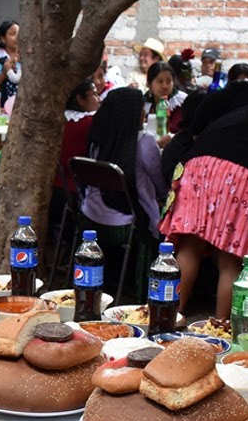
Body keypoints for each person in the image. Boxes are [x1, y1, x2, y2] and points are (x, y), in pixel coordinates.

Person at [159, 71, 248, 319]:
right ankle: (221, 330)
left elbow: (207, 104)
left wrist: (196, 133)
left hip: (202, 166)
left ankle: (169, 318)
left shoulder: (244, 89)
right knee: (231, 261)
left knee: (189, 247)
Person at [79, 87, 167, 293]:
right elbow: (161, 185)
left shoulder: (97, 139)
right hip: (126, 222)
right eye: (141, 108)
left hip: (90, 214)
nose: (145, 112)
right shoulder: (144, 143)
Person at [58, 79, 99, 193]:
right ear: (80, 99)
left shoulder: (59, 119)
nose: (99, 99)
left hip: (57, 182)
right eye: (94, 94)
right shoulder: (91, 122)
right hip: (79, 186)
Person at [0, 20, 21, 105]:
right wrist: (4, 72)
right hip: (1, 104)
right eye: (13, 34)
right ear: (3, 38)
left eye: (19, 34)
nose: (17, 37)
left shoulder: (27, 56)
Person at [145, 62, 186, 135]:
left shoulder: (180, 103)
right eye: (160, 81)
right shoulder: (143, 105)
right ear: (149, 84)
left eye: (169, 81)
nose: (165, 86)